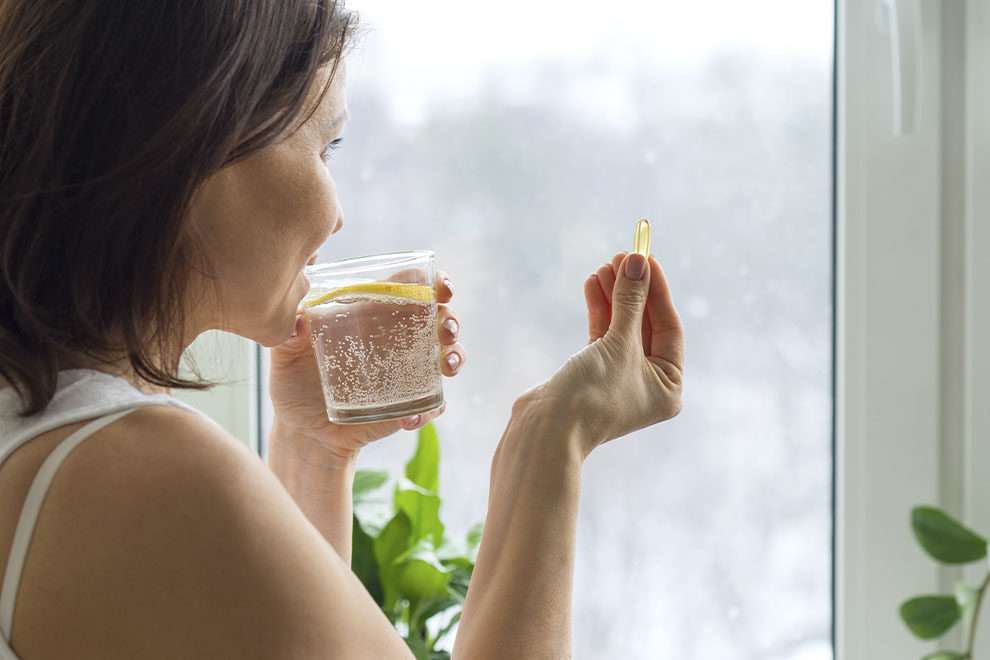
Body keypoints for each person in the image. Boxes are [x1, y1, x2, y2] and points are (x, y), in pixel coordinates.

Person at [0, 1, 684, 658]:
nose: (337, 216)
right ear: (197, 141)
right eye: (327, 146)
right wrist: (551, 438)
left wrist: (313, 451)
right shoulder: (138, 464)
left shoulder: (47, 427)